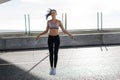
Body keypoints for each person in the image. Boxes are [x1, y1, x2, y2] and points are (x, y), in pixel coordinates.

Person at [36, 9, 73, 75]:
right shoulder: (48, 22)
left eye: (54, 13)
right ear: (51, 14)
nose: (53, 14)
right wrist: (39, 35)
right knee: (51, 53)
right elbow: (46, 31)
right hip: (50, 38)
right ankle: (51, 68)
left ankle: (55, 68)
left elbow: (64, 30)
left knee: (55, 53)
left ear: (56, 14)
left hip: (56, 38)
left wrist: (70, 34)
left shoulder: (59, 21)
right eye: (52, 13)